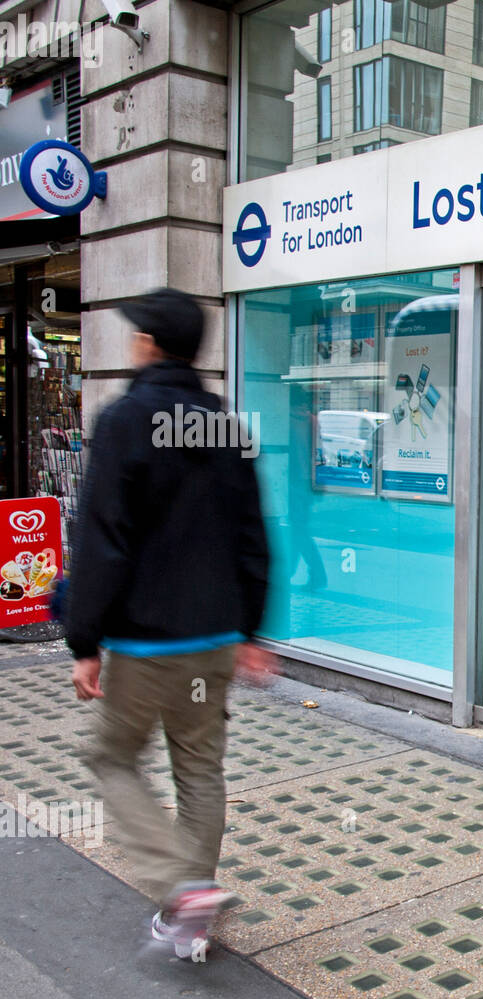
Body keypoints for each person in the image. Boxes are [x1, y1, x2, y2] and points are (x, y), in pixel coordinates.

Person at [64, 287, 274, 961]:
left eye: (135, 336)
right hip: (214, 640)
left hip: (146, 642)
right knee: (200, 769)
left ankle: (183, 890)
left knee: (110, 756)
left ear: (150, 344)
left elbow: (102, 540)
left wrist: (82, 639)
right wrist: (250, 630)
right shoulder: (224, 423)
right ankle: (194, 916)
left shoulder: (125, 418)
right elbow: (253, 536)